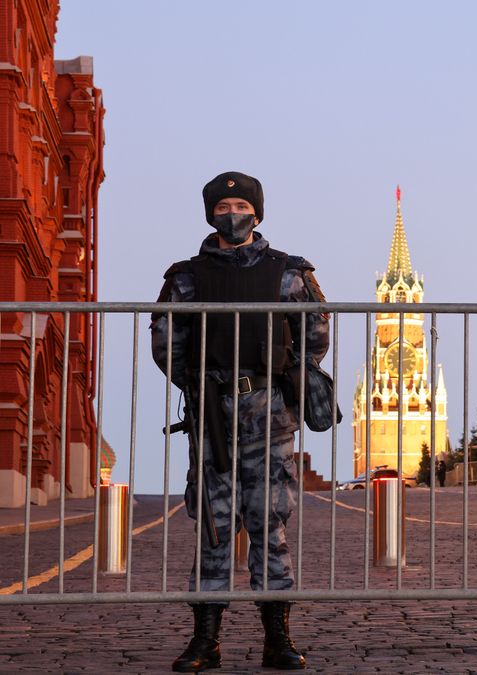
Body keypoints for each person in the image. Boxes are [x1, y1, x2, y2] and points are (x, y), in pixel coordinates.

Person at [152, 171, 329, 672]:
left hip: (270, 417)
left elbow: (314, 337)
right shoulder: (185, 278)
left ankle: (278, 637)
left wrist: (281, 380)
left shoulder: (288, 273)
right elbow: (167, 347)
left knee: (269, 524)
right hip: (213, 416)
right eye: (223, 207)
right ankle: (205, 639)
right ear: (211, 214)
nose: (233, 214)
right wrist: (203, 385)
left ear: (257, 212)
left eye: (241, 206)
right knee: (214, 527)